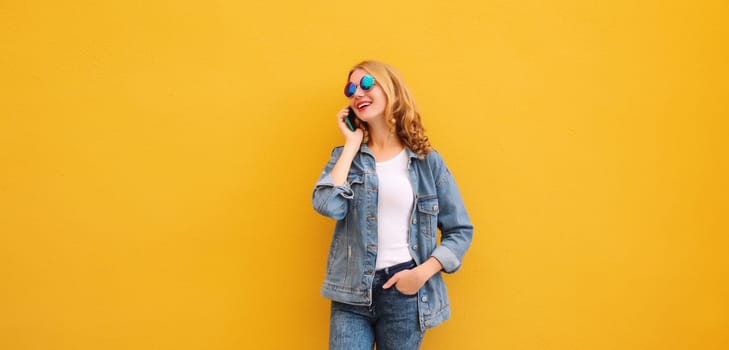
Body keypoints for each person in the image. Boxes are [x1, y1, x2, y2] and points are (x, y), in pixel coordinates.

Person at [312, 60, 473, 350]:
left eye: (366, 84)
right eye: (351, 89)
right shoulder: (347, 157)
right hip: (351, 294)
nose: (357, 93)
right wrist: (351, 145)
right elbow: (328, 205)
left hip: (404, 293)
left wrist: (420, 274)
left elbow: (460, 230)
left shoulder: (426, 161)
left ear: (391, 90)